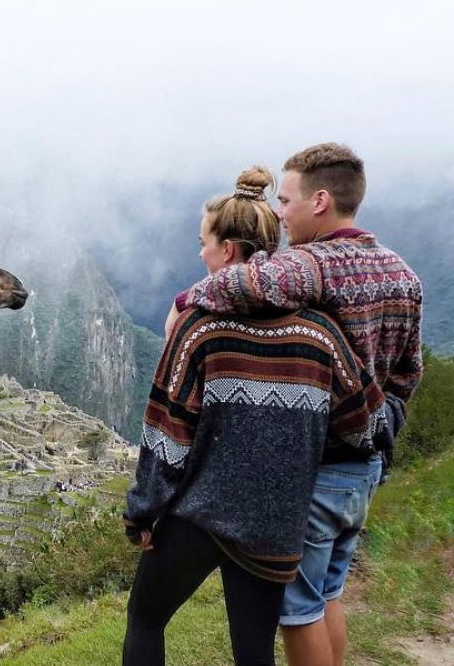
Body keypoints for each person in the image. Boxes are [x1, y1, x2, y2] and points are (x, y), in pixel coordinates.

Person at [171, 144, 424, 666]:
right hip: (364, 470)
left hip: (318, 467)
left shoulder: (312, 266)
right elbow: (407, 375)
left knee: (297, 610)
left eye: (286, 201)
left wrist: (182, 306)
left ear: (320, 201)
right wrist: (379, 428)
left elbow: (237, 284)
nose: (280, 214)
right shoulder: (403, 274)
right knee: (328, 594)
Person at [123, 167, 387, 666]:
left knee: (145, 620)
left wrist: (141, 512)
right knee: (254, 650)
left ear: (227, 251)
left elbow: (167, 433)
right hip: (274, 525)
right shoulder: (321, 334)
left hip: (200, 515)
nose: (200, 254)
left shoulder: (199, 328)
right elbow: (364, 423)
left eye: (203, 244)